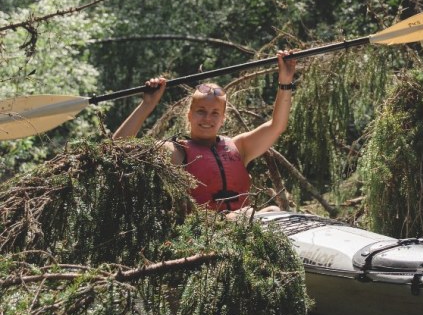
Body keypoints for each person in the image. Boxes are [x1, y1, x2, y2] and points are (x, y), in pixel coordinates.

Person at [112, 50, 296, 212]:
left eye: (215, 113)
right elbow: (119, 146)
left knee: (272, 209)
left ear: (223, 118)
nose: (208, 118)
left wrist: (285, 81)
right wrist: (147, 104)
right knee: (251, 213)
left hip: (244, 229)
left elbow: (277, 126)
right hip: (207, 233)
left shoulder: (240, 147)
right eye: (201, 111)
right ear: (189, 115)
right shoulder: (175, 152)